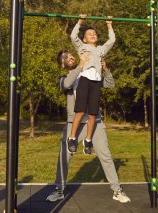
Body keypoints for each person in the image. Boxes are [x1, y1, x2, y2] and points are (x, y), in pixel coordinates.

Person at [46, 50, 130, 203]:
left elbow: (110, 84)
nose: (70, 56)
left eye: (70, 54)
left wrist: (105, 70)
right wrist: (81, 65)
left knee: (106, 156)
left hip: (95, 123)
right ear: (63, 64)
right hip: (74, 125)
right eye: (65, 57)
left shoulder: (92, 76)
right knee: (64, 157)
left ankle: (117, 190)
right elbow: (66, 84)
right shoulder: (64, 78)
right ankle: (59, 189)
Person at [67, 15, 115, 155]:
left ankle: (88, 140)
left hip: (96, 81)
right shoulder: (82, 47)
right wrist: (80, 22)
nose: (93, 35)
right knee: (80, 111)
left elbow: (112, 40)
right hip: (85, 79)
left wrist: (109, 25)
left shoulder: (101, 49)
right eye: (89, 34)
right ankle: (72, 137)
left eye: (94, 33)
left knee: (93, 114)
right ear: (85, 39)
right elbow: (73, 36)